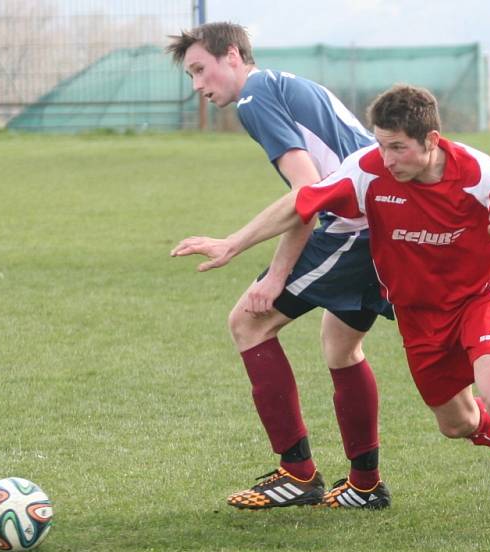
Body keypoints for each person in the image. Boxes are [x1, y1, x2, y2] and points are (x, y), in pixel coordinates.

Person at [171, 84, 490, 537]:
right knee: (457, 423)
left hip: (478, 300)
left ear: (432, 141)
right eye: (381, 144)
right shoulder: (367, 170)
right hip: (418, 316)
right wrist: (233, 242)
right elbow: (302, 204)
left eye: (398, 147)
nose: (386, 157)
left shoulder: (480, 175)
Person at [166, 22, 395, 510]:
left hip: (352, 230)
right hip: (381, 224)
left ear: (232, 56)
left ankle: (298, 473)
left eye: (200, 70)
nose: (198, 86)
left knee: (248, 322)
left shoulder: (254, 98)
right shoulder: (287, 83)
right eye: (190, 76)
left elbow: (306, 194)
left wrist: (260, 265)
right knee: (341, 347)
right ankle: (365, 484)